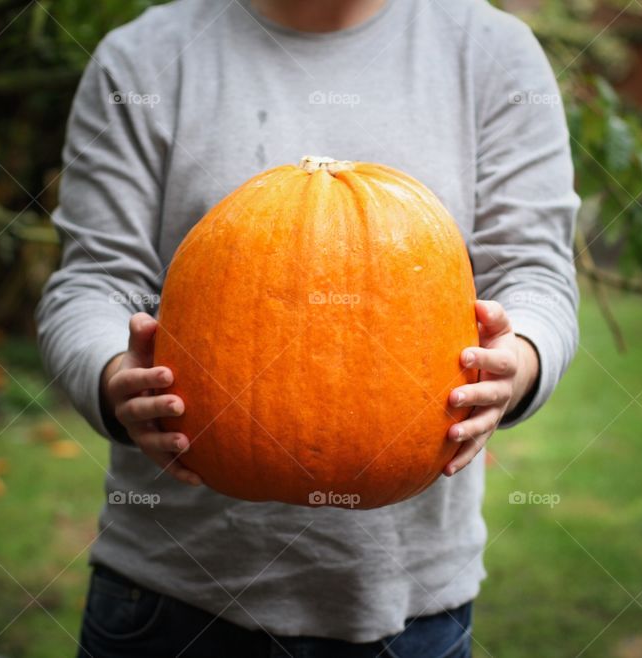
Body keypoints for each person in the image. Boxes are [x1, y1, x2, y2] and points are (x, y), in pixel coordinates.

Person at [36, 0, 579, 655]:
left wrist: (517, 360)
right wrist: (114, 377)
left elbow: (538, 275)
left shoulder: (494, 53)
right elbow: (91, 281)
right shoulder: (143, 57)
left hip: (408, 607)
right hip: (170, 594)